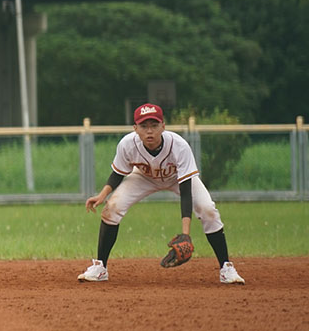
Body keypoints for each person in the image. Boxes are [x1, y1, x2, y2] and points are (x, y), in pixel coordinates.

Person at [77, 102, 245, 285]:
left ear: (163, 126)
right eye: (144, 126)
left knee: (208, 210)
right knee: (112, 208)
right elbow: (118, 173)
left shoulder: (179, 146)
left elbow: (186, 191)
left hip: (176, 178)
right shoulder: (127, 144)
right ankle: (100, 267)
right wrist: (103, 195)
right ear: (135, 128)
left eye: (154, 125)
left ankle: (226, 267)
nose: (149, 131)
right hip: (143, 177)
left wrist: (185, 234)